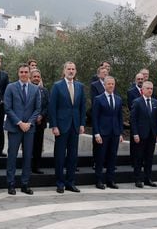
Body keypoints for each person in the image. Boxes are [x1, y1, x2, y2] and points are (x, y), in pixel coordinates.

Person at [49, 61, 86, 193]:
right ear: (64, 71)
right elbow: (52, 107)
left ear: (75, 71)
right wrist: (54, 125)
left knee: (73, 155)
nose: (71, 71)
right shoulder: (57, 86)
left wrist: (82, 123)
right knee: (59, 156)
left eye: (73, 69)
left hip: (75, 125)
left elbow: (82, 107)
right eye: (69, 69)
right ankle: (60, 183)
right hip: (61, 126)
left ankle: (71, 182)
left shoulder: (80, 86)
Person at [4, 64, 41, 195]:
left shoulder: (35, 89)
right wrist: (19, 123)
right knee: (12, 156)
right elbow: (7, 108)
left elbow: (37, 109)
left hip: (29, 129)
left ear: (29, 74)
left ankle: (25, 184)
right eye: (22, 72)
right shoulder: (10, 87)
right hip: (15, 127)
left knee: (27, 157)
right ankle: (11, 184)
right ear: (18, 73)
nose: (24, 74)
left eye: (26, 72)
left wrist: (29, 123)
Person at [92, 76, 123, 190]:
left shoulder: (118, 99)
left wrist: (120, 133)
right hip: (102, 133)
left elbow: (120, 117)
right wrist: (96, 133)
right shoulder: (98, 99)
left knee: (112, 157)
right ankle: (99, 180)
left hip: (115, 133)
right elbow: (95, 118)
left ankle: (110, 180)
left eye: (112, 84)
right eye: (109, 84)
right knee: (101, 157)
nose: (111, 86)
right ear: (104, 85)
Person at [130, 81, 157, 188]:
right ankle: (138, 179)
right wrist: (135, 133)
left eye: (151, 89)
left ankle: (148, 179)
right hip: (141, 135)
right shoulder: (137, 102)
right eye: (147, 88)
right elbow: (133, 120)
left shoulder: (155, 102)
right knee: (139, 158)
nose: (150, 90)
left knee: (149, 158)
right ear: (142, 90)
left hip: (152, 135)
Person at [30, 69, 49, 174]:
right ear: (31, 78)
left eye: (38, 77)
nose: (36, 78)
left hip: (40, 123)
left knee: (38, 146)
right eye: (34, 77)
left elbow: (47, 105)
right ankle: (27, 166)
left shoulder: (44, 91)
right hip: (30, 123)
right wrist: (34, 117)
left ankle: (36, 167)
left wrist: (41, 115)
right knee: (28, 146)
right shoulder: (28, 89)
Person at [90, 66, 108, 169]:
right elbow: (94, 101)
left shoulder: (111, 84)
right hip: (99, 116)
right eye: (103, 72)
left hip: (109, 117)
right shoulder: (95, 85)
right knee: (97, 142)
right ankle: (96, 162)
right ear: (98, 74)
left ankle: (106, 162)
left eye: (106, 72)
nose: (105, 74)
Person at [126, 72, 144, 165]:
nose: (140, 81)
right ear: (135, 80)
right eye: (138, 79)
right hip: (136, 120)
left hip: (146, 122)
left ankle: (142, 161)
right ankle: (134, 162)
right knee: (134, 143)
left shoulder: (147, 90)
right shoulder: (131, 91)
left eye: (142, 79)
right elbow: (130, 106)